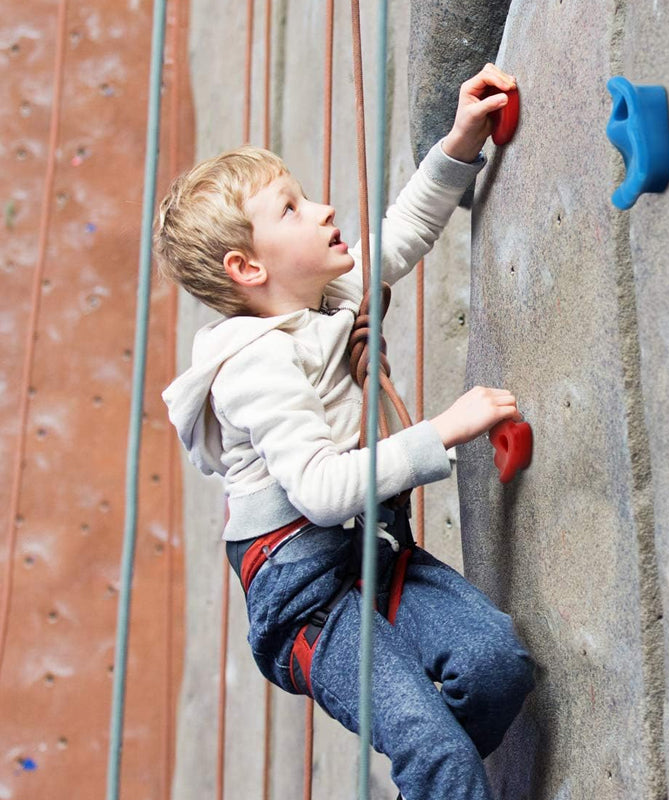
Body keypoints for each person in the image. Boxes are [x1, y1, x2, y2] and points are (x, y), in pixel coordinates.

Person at [157, 63, 533, 800]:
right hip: (305, 596)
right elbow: (323, 492)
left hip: (372, 551)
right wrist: (443, 431)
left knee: (495, 666)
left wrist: (460, 142)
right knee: (438, 753)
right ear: (247, 267)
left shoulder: (323, 295)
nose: (323, 208)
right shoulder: (253, 366)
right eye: (292, 209)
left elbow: (403, 233)